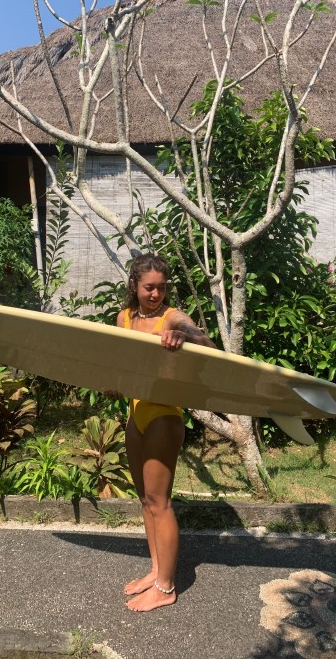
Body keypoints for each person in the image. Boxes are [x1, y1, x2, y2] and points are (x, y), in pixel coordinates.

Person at [115, 253, 216, 612]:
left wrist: (182, 336)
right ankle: (156, 570)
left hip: (163, 417)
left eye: (161, 288)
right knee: (145, 501)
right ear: (134, 286)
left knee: (160, 502)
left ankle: (167, 587)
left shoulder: (172, 317)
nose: (155, 294)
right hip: (135, 413)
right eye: (148, 288)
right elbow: (122, 367)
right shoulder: (124, 318)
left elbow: (207, 346)